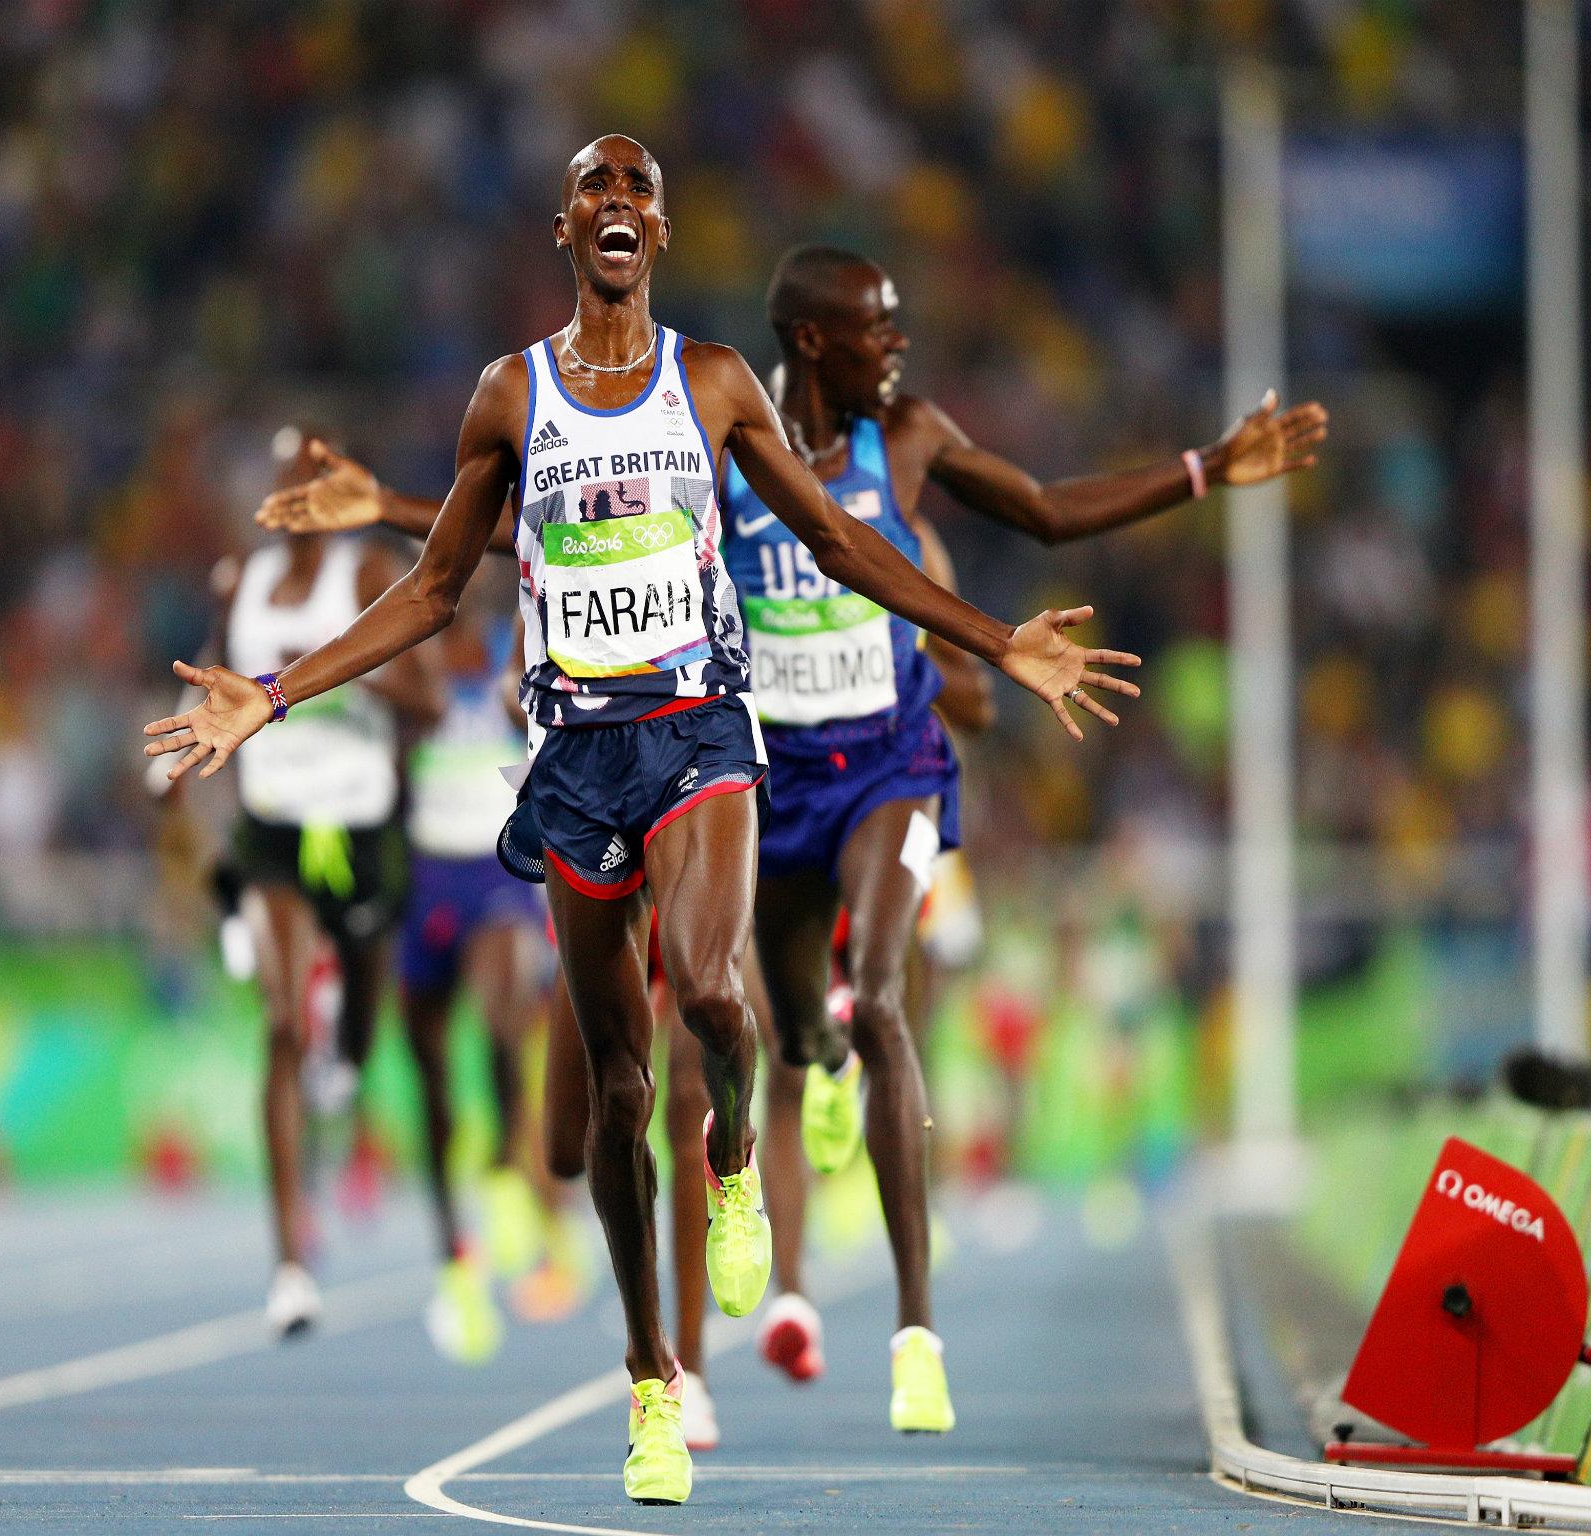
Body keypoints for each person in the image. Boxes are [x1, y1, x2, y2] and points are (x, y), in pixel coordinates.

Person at [142, 135, 1139, 1507]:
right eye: (595, 190)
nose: (618, 205)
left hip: (701, 733)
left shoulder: (715, 382)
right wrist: (270, 694)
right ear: (566, 228)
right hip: (576, 755)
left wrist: (995, 641)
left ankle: (734, 1154)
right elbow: (435, 589)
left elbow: (846, 544)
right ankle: (651, 1388)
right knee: (614, 1092)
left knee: (717, 992)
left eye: (640, 191)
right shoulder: (511, 397)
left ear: (660, 231)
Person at [262, 242, 1326, 1438]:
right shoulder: (703, 445)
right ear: (816, 338)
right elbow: (557, 523)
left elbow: (1020, 514)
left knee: (837, 1002)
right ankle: (792, 1078)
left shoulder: (889, 433)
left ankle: (834, 1331)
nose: (898, 346)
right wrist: (395, 512)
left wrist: (1194, 476)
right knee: (589, 1128)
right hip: (664, 774)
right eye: (877, 327)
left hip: (808, 769)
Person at [213, 437, 442, 1340]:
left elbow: (427, 702)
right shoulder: (238, 586)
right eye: (280, 484)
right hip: (273, 829)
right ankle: (290, 1264)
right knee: (279, 1024)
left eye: (308, 481)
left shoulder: (369, 571)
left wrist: (336, 674)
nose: (293, 499)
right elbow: (215, 690)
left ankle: (344, 1062)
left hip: (362, 822)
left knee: (356, 1031)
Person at [398, 581, 575, 1363]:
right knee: (430, 1075)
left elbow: (547, 721)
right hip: (425, 876)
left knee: (507, 1025)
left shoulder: (520, 643)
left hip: (504, 873)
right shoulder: (409, 659)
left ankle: (514, 1180)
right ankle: (454, 1256)